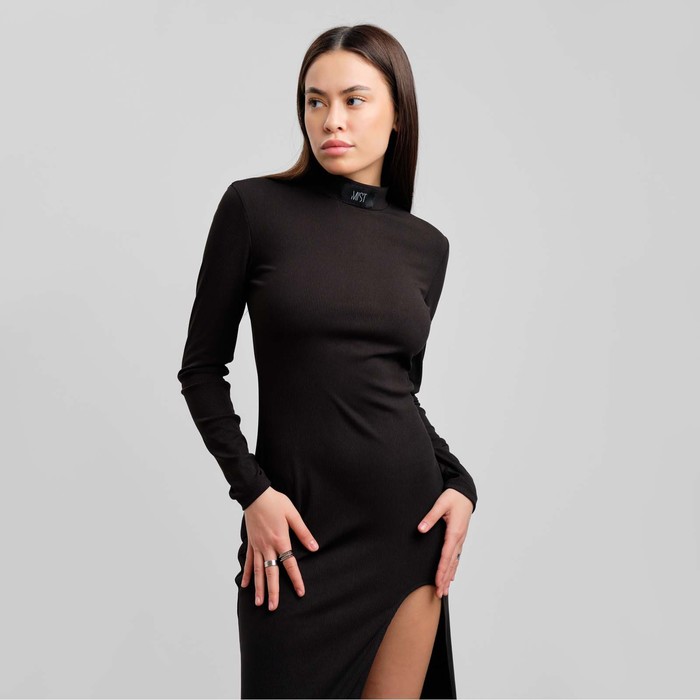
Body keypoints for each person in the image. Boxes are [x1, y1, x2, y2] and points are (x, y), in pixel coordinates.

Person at [177, 23, 478, 699]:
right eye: (315, 101)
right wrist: (252, 492)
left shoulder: (426, 247)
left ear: (397, 114)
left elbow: (393, 389)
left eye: (353, 100)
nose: (330, 120)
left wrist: (460, 483)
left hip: (405, 535)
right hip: (295, 540)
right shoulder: (255, 209)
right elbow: (201, 371)